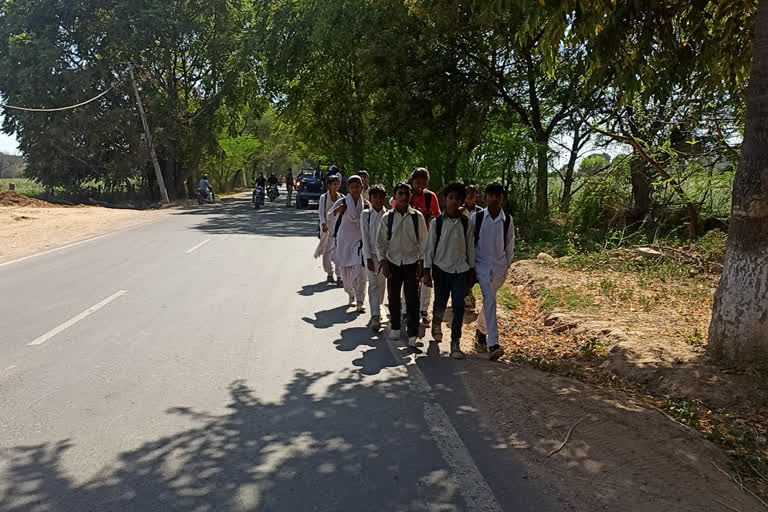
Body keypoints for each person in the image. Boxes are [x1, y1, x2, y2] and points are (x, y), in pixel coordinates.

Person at [423, 183, 475, 359]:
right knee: (440, 302)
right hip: (440, 268)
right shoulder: (436, 223)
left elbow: (470, 249)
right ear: (445, 199)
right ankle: (436, 325)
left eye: (458, 199)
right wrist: (426, 270)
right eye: (451, 198)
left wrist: (471, 271)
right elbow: (430, 249)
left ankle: (455, 342)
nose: (454, 202)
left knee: (459, 306)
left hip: (460, 269)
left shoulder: (466, 223)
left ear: (462, 201)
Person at [377, 183, 428, 349]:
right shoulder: (388, 218)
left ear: (410, 196)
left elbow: (424, 242)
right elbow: (381, 243)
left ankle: (413, 333)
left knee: (412, 298)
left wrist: (422, 262)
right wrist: (383, 262)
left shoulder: (417, 217)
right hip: (393, 262)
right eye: (401, 193)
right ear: (395, 196)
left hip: (412, 262)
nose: (404, 197)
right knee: (393, 296)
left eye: (407, 193)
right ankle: (396, 327)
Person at [472, 183, 515, 361]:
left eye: (498, 195)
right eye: (491, 195)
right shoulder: (478, 217)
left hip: (499, 268)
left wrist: (506, 266)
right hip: (481, 266)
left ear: (502, 198)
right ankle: (494, 344)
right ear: (486, 197)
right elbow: (471, 243)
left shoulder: (507, 220)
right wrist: (471, 268)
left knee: (490, 302)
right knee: (490, 300)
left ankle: (481, 330)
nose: (495, 198)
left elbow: (509, 245)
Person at [331, 175, 369, 311]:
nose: (355, 190)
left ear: (362, 188)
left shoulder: (366, 205)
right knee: (346, 276)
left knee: (361, 272)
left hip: (360, 242)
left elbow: (372, 219)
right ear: (348, 188)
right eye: (352, 187)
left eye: (357, 187)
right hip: (344, 241)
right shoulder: (342, 202)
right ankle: (350, 295)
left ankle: (360, 301)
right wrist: (339, 210)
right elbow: (331, 215)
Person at [409, 167, 441, 326]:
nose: (420, 186)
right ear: (412, 181)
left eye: (423, 183)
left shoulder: (431, 197)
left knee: (427, 276)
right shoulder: (405, 195)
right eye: (417, 182)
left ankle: (424, 310)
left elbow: (438, 219)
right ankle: (408, 308)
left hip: (427, 242)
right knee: (409, 277)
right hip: (408, 243)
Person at [361, 184, 387, 331]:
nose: (378, 200)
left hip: (385, 257)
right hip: (370, 255)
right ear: (370, 198)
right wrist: (368, 258)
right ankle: (375, 315)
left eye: (381, 197)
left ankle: (378, 307)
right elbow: (364, 237)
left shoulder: (388, 215)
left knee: (381, 284)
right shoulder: (366, 214)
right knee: (372, 284)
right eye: (375, 197)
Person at [319, 175, 344, 285]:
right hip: (326, 229)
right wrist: (323, 224)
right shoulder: (323, 198)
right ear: (329, 185)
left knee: (339, 253)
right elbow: (321, 213)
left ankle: (339, 276)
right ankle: (329, 273)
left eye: (338, 184)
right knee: (327, 253)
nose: (337, 186)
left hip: (339, 229)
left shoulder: (342, 197)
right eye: (334, 184)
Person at [462, 184, 484, 309]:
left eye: (473, 193)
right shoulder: (459, 210)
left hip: (477, 246)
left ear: (477, 195)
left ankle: (468, 293)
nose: (470, 196)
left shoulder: (481, 212)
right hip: (462, 246)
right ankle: (465, 296)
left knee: (474, 272)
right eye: (468, 193)